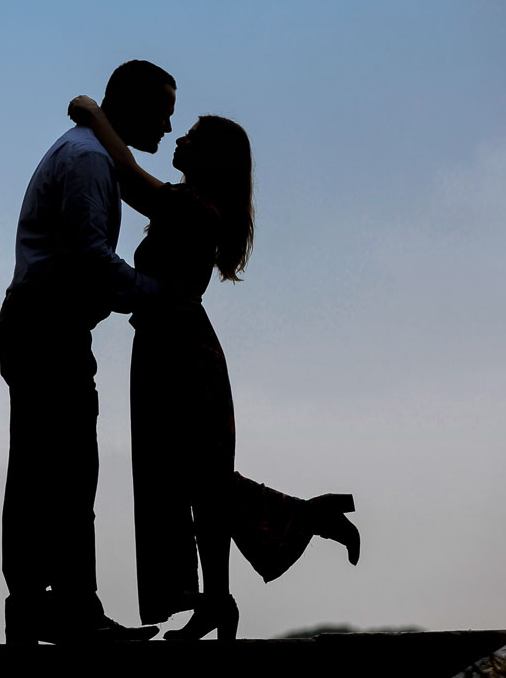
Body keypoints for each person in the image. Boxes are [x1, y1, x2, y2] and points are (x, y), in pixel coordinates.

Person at [67, 95, 360, 640]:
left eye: (192, 138)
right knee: (195, 481)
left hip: (179, 353)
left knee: (196, 480)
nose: (178, 138)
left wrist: (92, 112)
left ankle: (293, 532)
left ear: (210, 160)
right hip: (168, 348)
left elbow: (129, 178)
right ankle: (223, 595)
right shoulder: (194, 207)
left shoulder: (197, 211)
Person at [0, 60, 177, 644]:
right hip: (48, 324)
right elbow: (91, 256)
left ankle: (40, 604)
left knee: (44, 470)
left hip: (41, 322)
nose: (169, 128)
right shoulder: (91, 160)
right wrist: (155, 296)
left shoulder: (88, 152)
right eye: (163, 112)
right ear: (135, 106)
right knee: (67, 472)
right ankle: (70, 607)